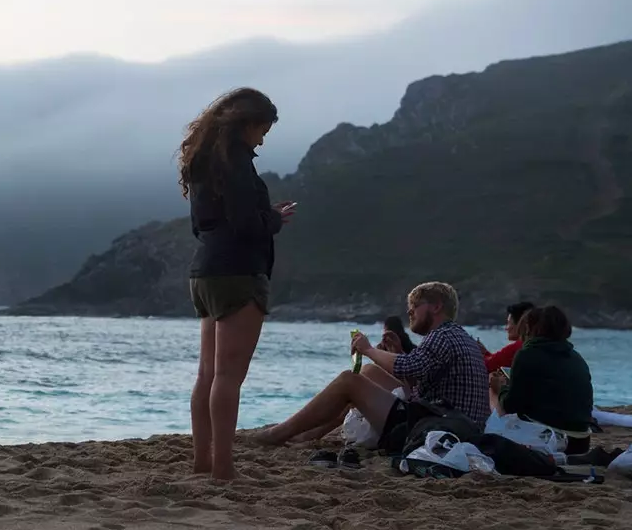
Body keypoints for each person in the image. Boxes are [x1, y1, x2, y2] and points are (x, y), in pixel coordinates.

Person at [182, 87, 295, 481]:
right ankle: (224, 469)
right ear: (246, 124)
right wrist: (275, 219)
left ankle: (202, 462)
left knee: (207, 375)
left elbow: (204, 224)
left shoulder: (203, 163)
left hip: (205, 271)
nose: (262, 139)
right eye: (262, 129)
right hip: (238, 273)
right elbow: (248, 226)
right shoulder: (236, 165)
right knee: (229, 377)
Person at [252, 281, 488, 450]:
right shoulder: (458, 336)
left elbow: (407, 368)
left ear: (436, 307)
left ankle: (276, 434)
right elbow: (424, 384)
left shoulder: (442, 336)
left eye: (414, 307)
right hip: (454, 425)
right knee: (369, 373)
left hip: (437, 432)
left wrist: (368, 349)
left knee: (349, 380)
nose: (410, 313)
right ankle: (309, 434)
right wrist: (395, 354)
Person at [492, 306, 594, 434]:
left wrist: (500, 388)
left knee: (492, 393)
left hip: (550, 437)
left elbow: (511, 406)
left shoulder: (527, 354)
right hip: (581, 438)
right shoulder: (576, 357)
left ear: (528, 327)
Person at [480, 301, 535, 372]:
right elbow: (500, 361)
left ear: (520, 324)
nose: (506, 328)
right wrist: (485, 353)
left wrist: (475, 352)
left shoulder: (518, 347)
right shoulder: (533, 344)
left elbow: (485, 366)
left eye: (508, 323)